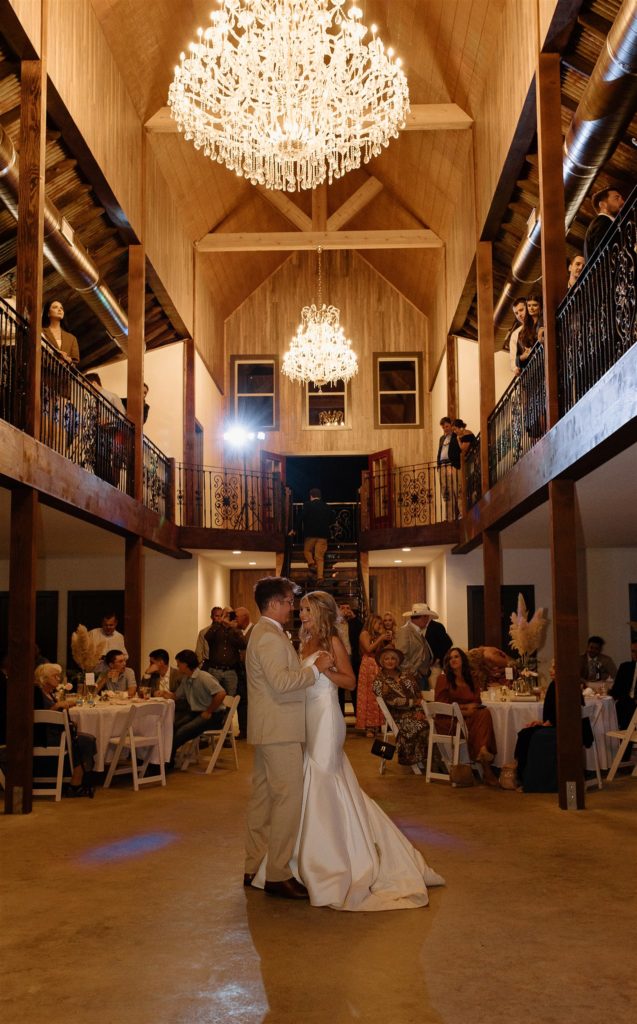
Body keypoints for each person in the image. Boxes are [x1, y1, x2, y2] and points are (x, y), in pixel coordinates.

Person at [250, 591, 445, 910]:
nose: (303, 615)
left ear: (323, 613)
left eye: (308, 610)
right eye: (300, 610)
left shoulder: (333, 641)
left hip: (326, 717)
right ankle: (303, 857)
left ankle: (333, 861)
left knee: (325, 777)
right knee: (312, 780)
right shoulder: (303, 641)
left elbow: (351, 682)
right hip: (307, 718)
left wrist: (324, 670)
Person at [243, 576, 332, 900]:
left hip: (272, 727)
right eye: (288, 601)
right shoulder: (267, 636)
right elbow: (281, 683)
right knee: (287, 799)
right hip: (278, 728)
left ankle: (254, 864)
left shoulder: (267, 633)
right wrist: (316, 670)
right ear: (274, 603)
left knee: (264, 798)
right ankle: (278, 873)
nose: (292, 607)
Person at [514, 663, 593, 791]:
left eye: (555, 667)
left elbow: (568, 713)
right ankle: (523, 775)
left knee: (527, 735)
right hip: (557, 724)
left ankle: (527, 779)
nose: (550, 670)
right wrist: (542, 722)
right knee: (525, 733)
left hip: (568, 728)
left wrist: (547, 723)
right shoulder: (555, 685)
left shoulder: (566, 686)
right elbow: (553, 714)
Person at [435, 647, 498, 785]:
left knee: (484, 713)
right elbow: (441, 705)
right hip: (449, 720)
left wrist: (469, 710)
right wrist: (463, 709)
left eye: (456, 656)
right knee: (479, 722)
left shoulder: (471, 678)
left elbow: (477, 702)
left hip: (466, 718)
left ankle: (483, 751)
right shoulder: (443, 678)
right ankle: (486, 768)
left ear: (463, 659)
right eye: (450, 658)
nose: (453, 660)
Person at [34, 663, 96, 796]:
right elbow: (39, 716)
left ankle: (78, 780)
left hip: (55, 732)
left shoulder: (49, 693)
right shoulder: (37, 693)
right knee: (86, 741)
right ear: (43, 678)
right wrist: (57, 706)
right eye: (55, 675)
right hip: (43, 736)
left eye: (59, 675)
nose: (58, 678)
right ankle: (77, 783)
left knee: (86, 739)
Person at [158, 649, 227, 767]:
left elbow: (221, 693)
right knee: (172, 726)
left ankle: (166, 763)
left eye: (178, 663)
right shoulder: (186, 679)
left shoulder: (203, 677)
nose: (177, 666)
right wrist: (164, 693)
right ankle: (164, 759)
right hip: (196, 712)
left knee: (182, 732)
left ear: (185, 664)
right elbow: (176, 696)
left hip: (213, 715)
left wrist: (209, 711)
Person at [372, 647, 429, 769]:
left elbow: (418, 695)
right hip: (396, 716)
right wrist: (413, 703)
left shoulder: (406, 675)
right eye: (386, 659)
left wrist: (420, 711)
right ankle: (419, 758)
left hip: (415, 711)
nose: (390, 661)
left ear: (397, 661)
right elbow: (393, 702)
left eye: (393, 658)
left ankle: (429, 761)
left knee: (433, 723)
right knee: (423, 725)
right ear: (382, 662)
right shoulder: (379, 681)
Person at [395, 602, 452, 689]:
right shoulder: (405, 632)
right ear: (423, 617)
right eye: (427, 617)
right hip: (413, 677)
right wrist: (414, 672)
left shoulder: (418, 631)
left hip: (423, 675)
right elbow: (400, 656)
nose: (428, 620)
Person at [355, 613, 392, 735]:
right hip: (368, 665)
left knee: (377, 695)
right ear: (372, 623)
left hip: (377, 664)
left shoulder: (377, 635)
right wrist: (380, 638)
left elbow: (382, 651)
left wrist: (387, 641)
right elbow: (368, 649)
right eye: (379, 623)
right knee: (368, 696)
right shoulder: (364, 633)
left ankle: (376, 724)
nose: (380, 626)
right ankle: (368, 726)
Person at [199, 607, 246, 696]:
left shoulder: (235, 631)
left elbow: (243, 645)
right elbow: (207, 637)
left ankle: (229, 710)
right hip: (215, 670)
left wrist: (235, 628)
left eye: (230, 615)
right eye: (225, 615)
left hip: (231, 671)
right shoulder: (215, 629)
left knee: (231, 698)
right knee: (214, 697)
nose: (227, 617)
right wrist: (219, 623)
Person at [583, 187, 624, 261]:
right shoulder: (602, 222)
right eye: (617, 198)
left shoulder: (602, 222)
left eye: (621, 198)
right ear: (603, 205)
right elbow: (603, 255)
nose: (622, 202)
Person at [301, 488, 332, 581]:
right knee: (319, 557)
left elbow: (301, 517)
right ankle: (320, 577)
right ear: (320, 496)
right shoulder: (325, 506)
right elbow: (332, 519)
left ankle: (311, 564)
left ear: (311, 496)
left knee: (307, 551)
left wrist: (294, 529)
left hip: (310, 534)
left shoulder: (307, 505)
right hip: (323, 535)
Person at [609, 640, 637, 732]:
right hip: (626, 702)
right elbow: (616, 689)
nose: (635, 654)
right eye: (633, 651)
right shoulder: (625, 667)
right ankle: (624, 743)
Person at [41, 299, 80, 364]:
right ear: (48, 313)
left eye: (61, 308)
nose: (59, 310)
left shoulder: (72, 338)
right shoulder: (41, 331)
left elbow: (75, 361)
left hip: (63, 373)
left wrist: (68, 360)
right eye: (55, 307)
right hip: (44, 371)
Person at [437, 416, 461, 517]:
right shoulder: (442, 438)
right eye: (443, 427)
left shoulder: (456, 436)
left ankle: (462, 513)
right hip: (442, 466)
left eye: (447, 426)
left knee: (457, 489)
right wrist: (438, 465)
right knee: (446, 492)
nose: (445, 429)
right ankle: (449, 517)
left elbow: (460, 449)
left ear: (451, 425)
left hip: (452, 465)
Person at [508, 297, 528, 376]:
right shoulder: (515, 334)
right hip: (528, 373)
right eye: (516, 313)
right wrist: (516, 368)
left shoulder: (539, 323)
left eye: (521, 310)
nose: (519, 314)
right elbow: (513, 359)